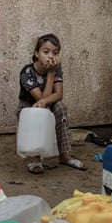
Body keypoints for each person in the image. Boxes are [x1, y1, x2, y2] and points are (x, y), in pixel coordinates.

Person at [18, 33, 87, 174]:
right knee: (35, 113)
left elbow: (58, 94)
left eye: (55, 53)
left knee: (60, 107)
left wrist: (44, 99)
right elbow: (40, 100)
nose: (51, 56)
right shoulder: (27, 72)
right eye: (46, 52)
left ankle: (64, 155)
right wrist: (50, 74)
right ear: (36, 54)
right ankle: (34, 159)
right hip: (29, 108)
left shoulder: (56, 68)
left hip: (47, 103)